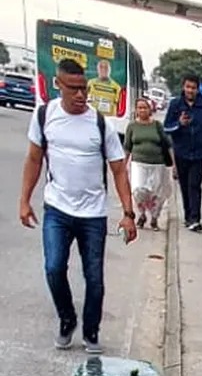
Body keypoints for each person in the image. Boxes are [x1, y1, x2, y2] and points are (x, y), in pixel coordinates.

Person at [19, 58, 137, 353]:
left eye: (83, 88)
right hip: (57, 209)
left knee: (94, 278)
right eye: (73, 89)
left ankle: (91, 331)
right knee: (54, 268)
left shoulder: (101, 124)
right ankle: (66, 318)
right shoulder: (45, 115)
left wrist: (128, 213)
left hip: (93, 215)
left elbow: (119, 169)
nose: (80, 95)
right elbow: (34, 159)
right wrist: (24, 200)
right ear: (58, 85)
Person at [163, 75, 202, 232]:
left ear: (198, 89)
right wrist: (179, 124)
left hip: (199, 153)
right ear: (183, 87)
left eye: (193, 88)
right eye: (188, 87)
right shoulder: (176, 105)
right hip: (181, 153)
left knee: (195, 185)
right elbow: (166, 128)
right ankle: (188, 216)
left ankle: (195, 219)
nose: (190, 90)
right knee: (185, 186)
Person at [124, 96, 172, 229]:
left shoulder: (157, 125)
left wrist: (174, 166)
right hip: (139, 164)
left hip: (158, 164)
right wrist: (123, 166)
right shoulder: (132, 126)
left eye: (145, 107)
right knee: (138, 190)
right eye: (139, 108)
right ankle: (142, 214)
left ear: (150, 109)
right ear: (136, 110)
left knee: (157, 193)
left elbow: (168, 145)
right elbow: (127, 147)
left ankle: (154, 218)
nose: (142, 110)